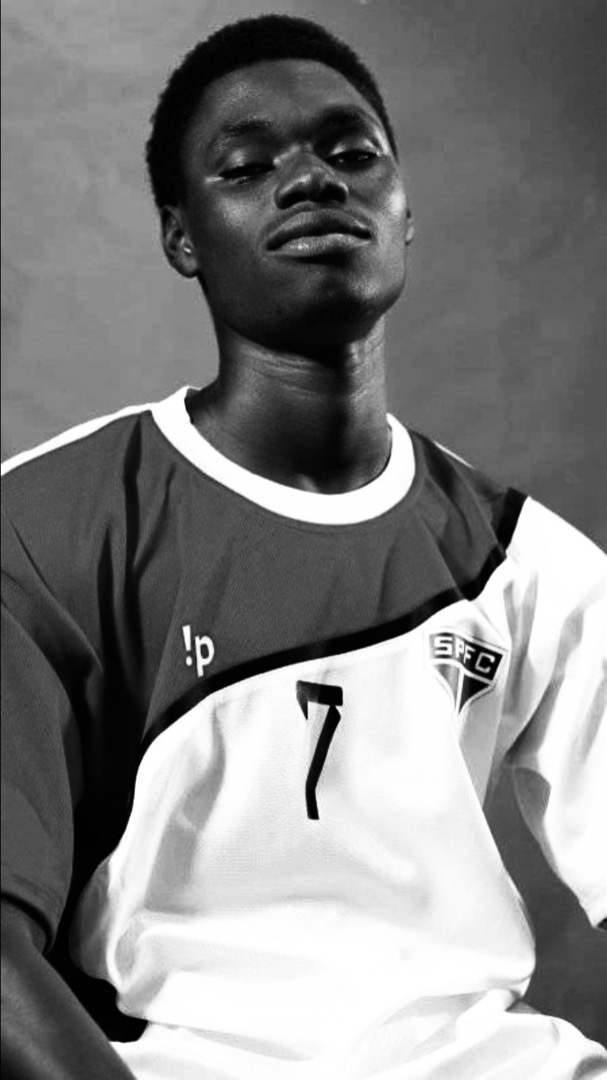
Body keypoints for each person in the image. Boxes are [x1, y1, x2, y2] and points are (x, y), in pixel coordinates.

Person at [1, 13, 605, 1080]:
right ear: (182, 237)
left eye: (352, 153)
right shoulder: (46, 527)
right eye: (247, 166)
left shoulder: (524, 564)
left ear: (405, 211)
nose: (313, 180)